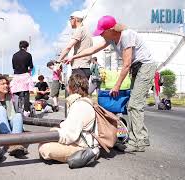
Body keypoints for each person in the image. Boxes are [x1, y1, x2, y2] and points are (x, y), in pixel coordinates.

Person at [66, 15, 157, 152]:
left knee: (134, 105)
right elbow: (92, 50)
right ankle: (140, 138)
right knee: (133, 105)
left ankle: (138, 141)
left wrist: (117, 86)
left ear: (110, 29)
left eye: (102, 31)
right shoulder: (111, 39)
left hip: (145, 66)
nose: (101, 34)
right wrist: (74, 56)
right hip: (136, 68)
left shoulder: (126, 36)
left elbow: (126, 65)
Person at [38, 73, 100, 163]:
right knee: (51, 132)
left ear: (72, 88)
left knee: (44, 148)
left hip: (84, 146)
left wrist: (55, 136)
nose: (66, 88)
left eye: (68, 85)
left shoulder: (79, 105)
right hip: (84, 140)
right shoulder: (83, 102)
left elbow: (70, 135)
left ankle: (87, 155)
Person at [57, 11, 93, 80]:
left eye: (70, 19)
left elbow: (68, 47)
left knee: (75, 90)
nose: (70, 21)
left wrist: (58, 61)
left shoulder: (79, 30)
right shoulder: (87, 30)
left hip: (79, 68)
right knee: (82, 90)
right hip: (85, 67)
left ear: (75, 19)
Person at [10, 40, 34, 117]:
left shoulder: (14, 55)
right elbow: (31, 66)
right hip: (25, 75)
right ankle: (26, 111)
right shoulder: (28, 55)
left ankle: (15, 110)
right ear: (26, 47)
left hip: (16, 76)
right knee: (26, 93)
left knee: (15, 93)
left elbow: (13, 67)